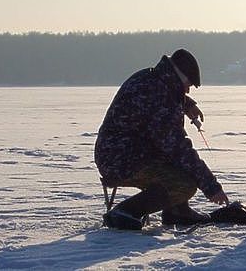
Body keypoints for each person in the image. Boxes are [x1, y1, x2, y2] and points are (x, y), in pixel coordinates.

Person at [95, 48, 229, 229]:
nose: (188, 89)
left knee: (175, 165)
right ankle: (125, 211)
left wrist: (186, 104)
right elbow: (178, 148)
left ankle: (177, 211)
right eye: (188, 84)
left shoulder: (150, 78)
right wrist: (211, 187)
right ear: (180, 77)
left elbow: (164, 93)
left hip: (118, 153)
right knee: (184, 184)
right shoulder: (160, 94)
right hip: (121, 160)